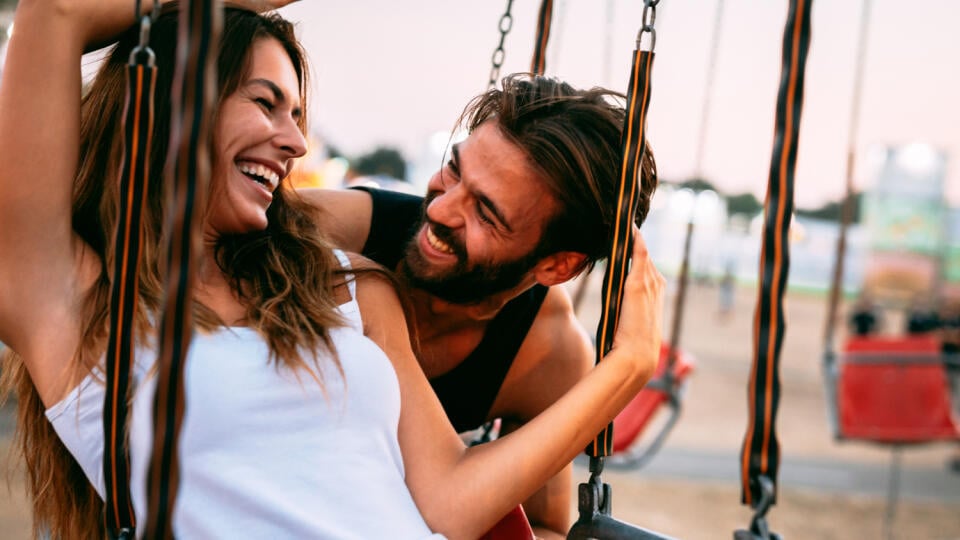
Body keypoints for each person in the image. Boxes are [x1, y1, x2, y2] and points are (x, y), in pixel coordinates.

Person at [0, 1, 665, 539]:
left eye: (297, 114)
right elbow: (55, 12)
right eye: (267, 103)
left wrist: (629, 364)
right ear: (178, 99)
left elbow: (449, 503)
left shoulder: (349, 286)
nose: (296, 142)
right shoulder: (73, 307)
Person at [304, 74, 658, 537]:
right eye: (454, 170)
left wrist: (628, 366)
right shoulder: (335, 234)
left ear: (556, 266)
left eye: (485, 213)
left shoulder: (546, 353)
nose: (439, 210)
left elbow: (540, 528)